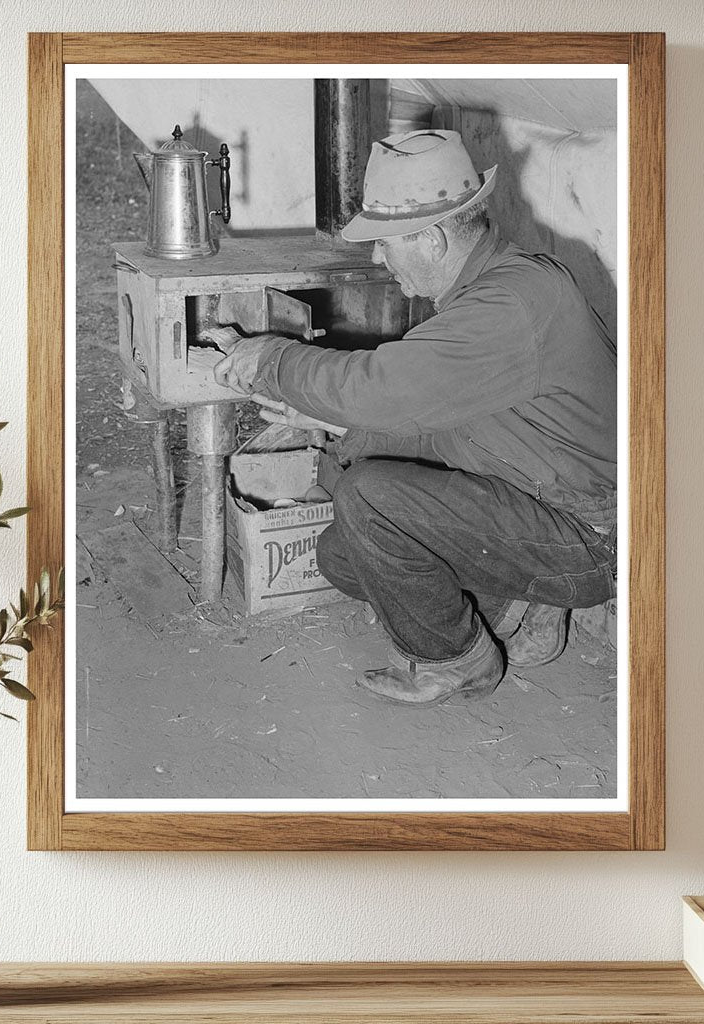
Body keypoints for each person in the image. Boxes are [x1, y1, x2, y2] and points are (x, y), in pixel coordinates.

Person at [208, 129, 617, 708]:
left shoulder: (510, 304)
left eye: (385, 243)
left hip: (587, 534)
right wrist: (324, 425)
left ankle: (459, 663)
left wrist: (272, 360)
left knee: (371, 498)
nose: (378, 257)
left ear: (430, 238)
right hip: (530, 497)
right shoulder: (490, 287)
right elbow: (415, 410)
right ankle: (520, 608)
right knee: (342, 555)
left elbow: (383, 389)